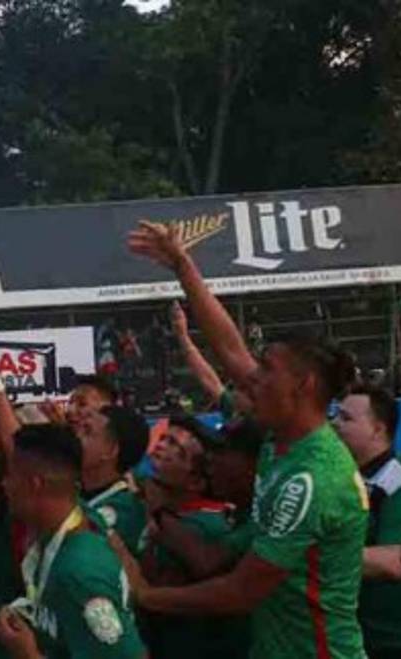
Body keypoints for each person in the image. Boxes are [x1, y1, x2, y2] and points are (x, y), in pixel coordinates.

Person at [123, 220, 369, 659]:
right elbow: (230, 350)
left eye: (268, 369)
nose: (253, 377)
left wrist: (147, 595)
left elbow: (242, 591)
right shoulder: (282, 435)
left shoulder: (312, 478)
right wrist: (182, 264)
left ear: (303, 386)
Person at [0, 424, 145, 659]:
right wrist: (6, 624)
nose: (5, 484)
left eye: (10, 475)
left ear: (35, 484)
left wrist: (29, 655)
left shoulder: (79, 573)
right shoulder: (60, 530)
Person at [136, 414, 249, 659]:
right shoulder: (144, 503)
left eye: (177, 448)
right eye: (164, 438)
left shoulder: (208, 525)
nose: (162, 446)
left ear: (196, 481)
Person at [333, 386, 401, 659]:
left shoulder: (398, 479)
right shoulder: (345, 476)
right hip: (358, 634)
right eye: (336, 417)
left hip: (398, 640)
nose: (335, 424)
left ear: (378, 430)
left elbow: (395, 561)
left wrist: (305, 555)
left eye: (346, 419)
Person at [72, 405, 149, 553]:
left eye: (87, 431)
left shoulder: (124, 511)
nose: (76, 436)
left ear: (110, 451)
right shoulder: (76, 488)